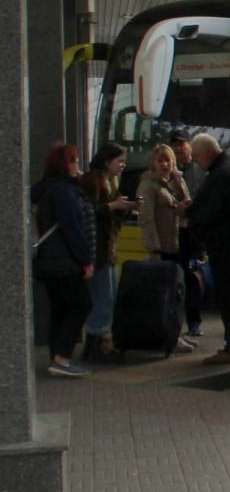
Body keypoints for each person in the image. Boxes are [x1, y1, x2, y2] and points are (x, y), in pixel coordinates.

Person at [30, 142, 97, 377]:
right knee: (81, 304)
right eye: (75, 161)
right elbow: (73, 229)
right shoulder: (63, 192)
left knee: (59, 309)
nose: (78, 165)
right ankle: (61, 358)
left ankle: (56, 358)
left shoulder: (44, 189)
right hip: (65, 262)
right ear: (66, 164)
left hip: (47, 261)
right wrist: (86, 261)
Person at [78, 142, 138, 363]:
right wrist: (114, 206)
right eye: (120, 161)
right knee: (103, 298)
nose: (123, 165)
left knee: (108, 297)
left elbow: (113, 212)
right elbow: (86, 212)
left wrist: (126, 207)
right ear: (107, 161)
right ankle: (94, 342)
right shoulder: (91, 180)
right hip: (97, 250)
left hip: (109, 247)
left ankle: (99, 340)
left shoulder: (111, 180)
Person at [136, 143, 197, 354]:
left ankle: (176, 333)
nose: (165, 164)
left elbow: (188, 203)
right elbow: (146, 219)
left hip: (181, 242)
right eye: (160, 160)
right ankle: (168, 336)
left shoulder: (177, 180)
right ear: (153, 162)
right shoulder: (148, 185)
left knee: (179, 292)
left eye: (168, 160)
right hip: (163, 247)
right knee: (166, 294)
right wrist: (153, 249)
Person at [188, 133, 230, 364]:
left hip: (223, 247)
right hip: (222, 245)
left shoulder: (224, 174)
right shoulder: (224, 170)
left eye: (196, 155)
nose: (195, 160)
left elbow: (213, 211)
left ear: (207, 151)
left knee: (227, 296)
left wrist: (191, 214)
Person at [170, 130, 204, 336]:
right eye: (175, 145)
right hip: (174, 233)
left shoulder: (200, 169)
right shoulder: (167, 172)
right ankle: (174, 322)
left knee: (192, 279)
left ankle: (194, 322)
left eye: (181, 144)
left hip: (193, 232)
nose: (178, 149)